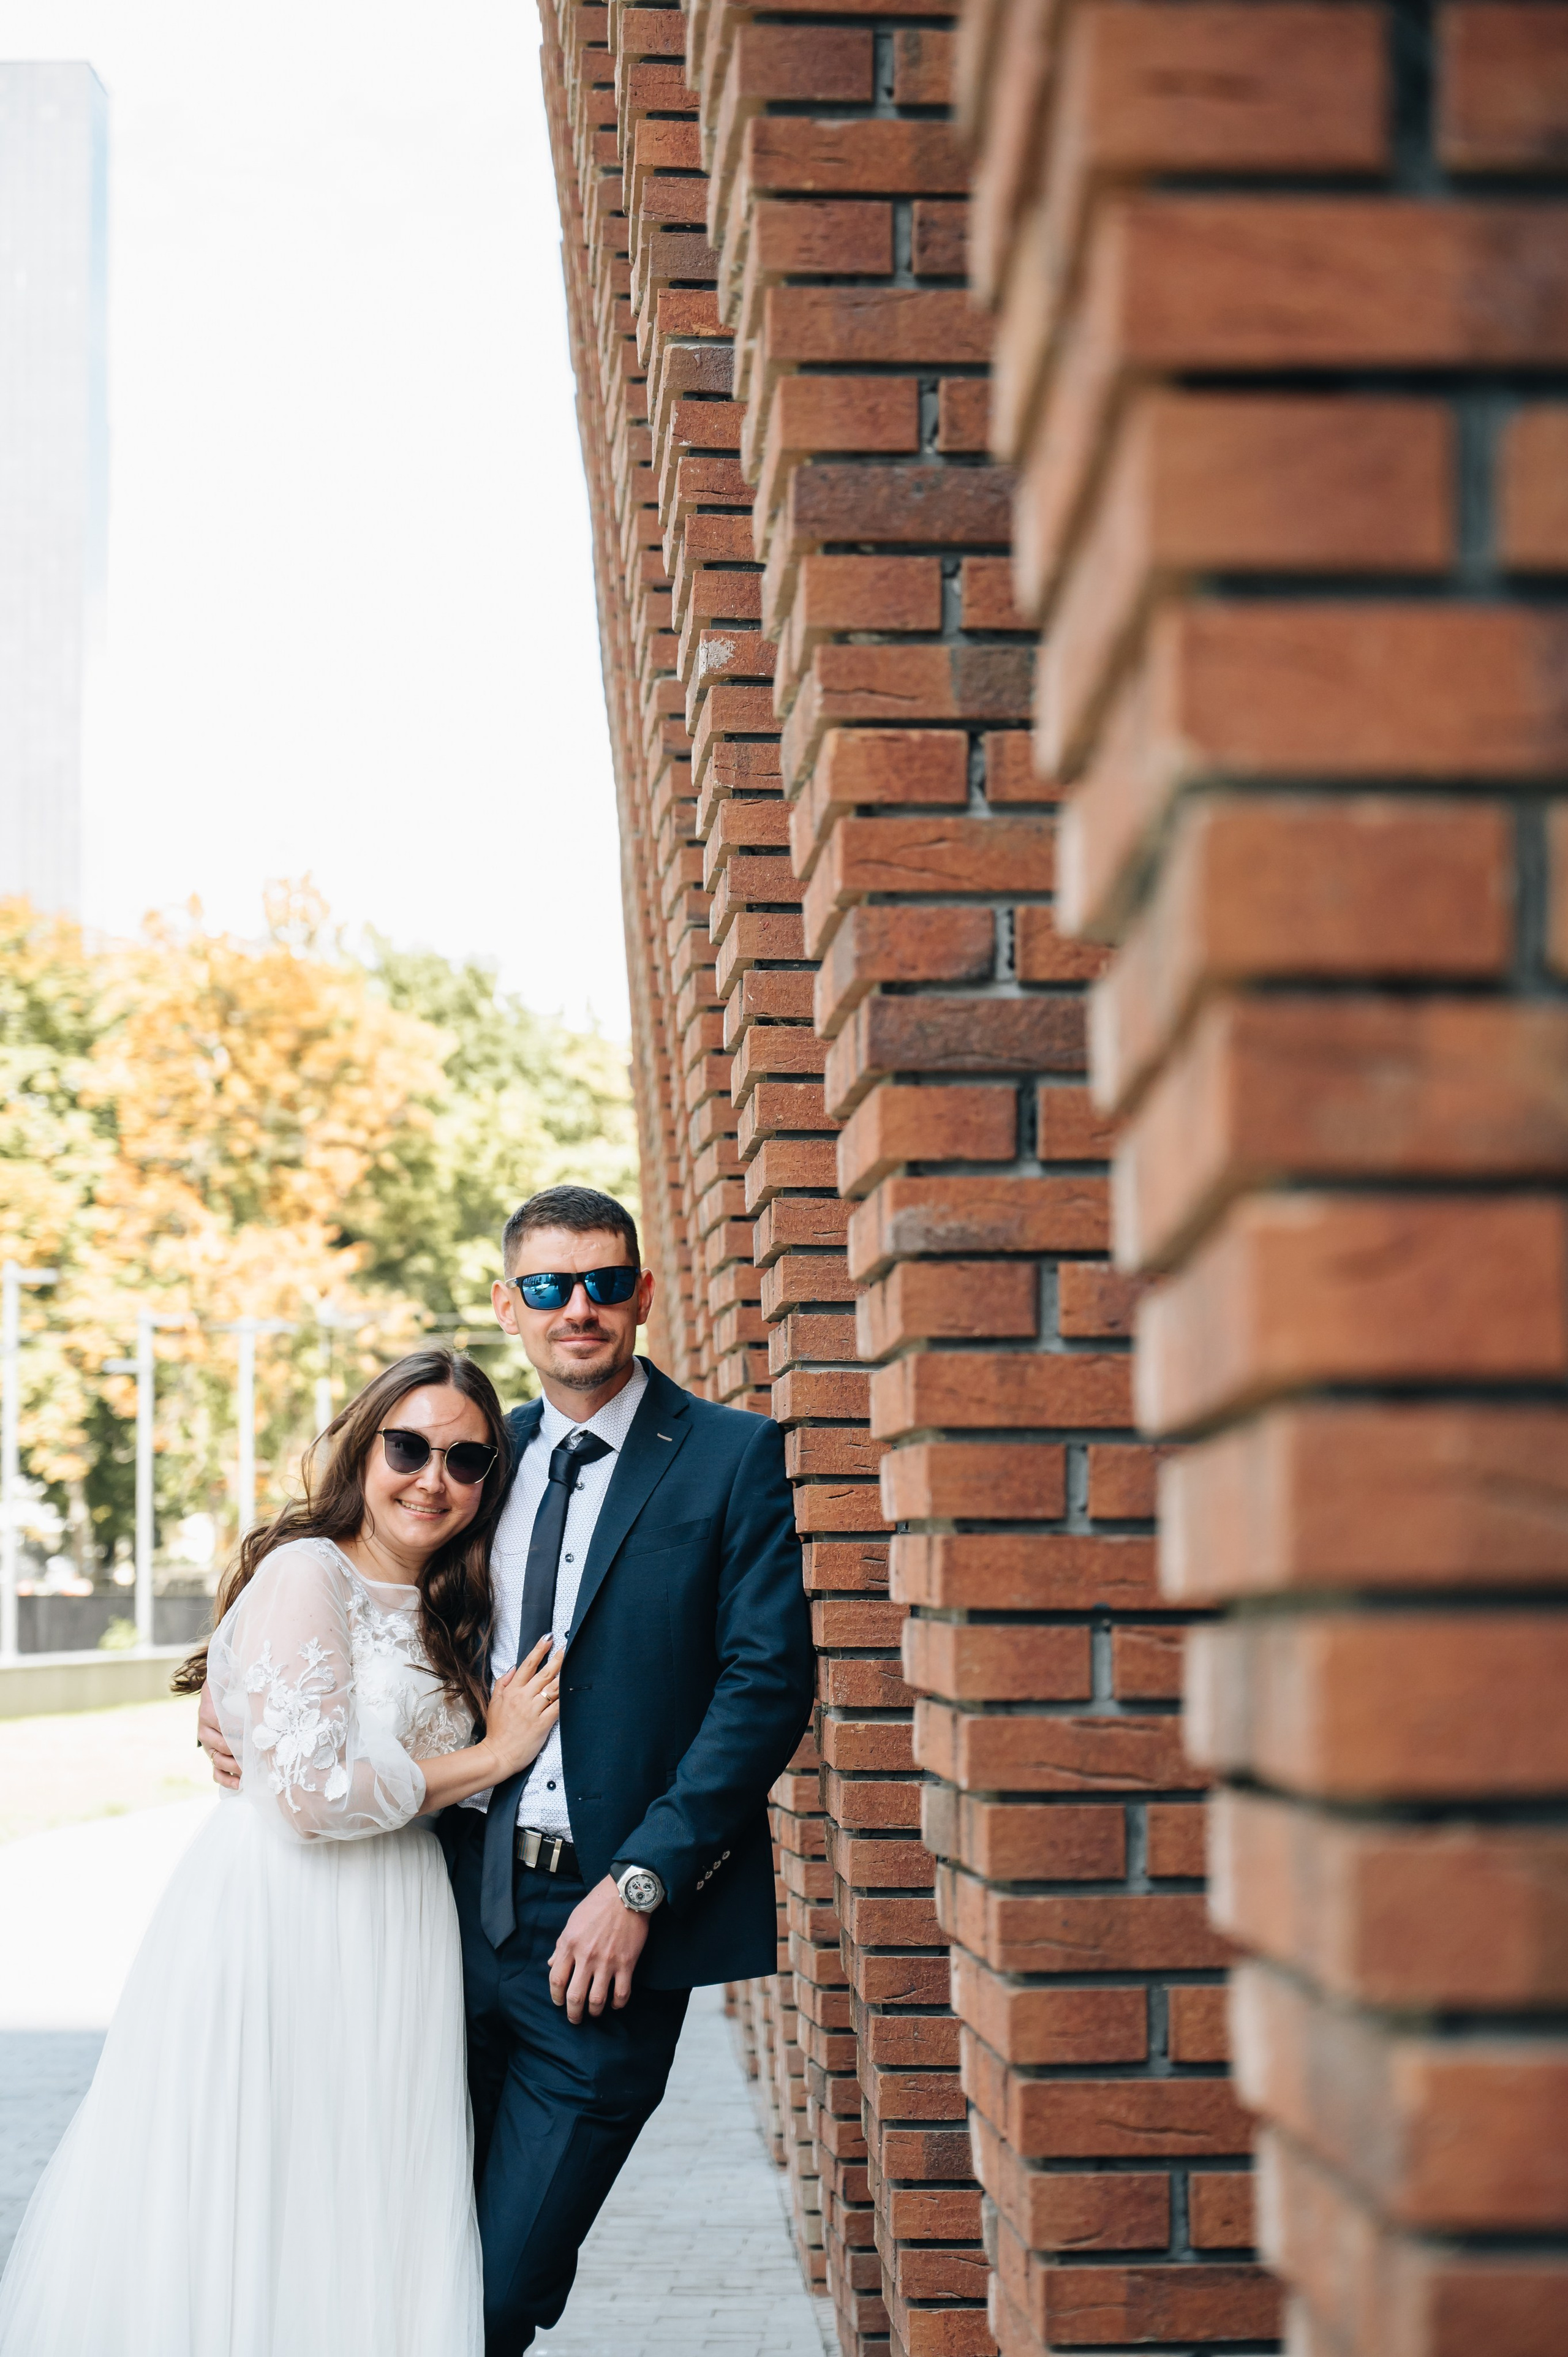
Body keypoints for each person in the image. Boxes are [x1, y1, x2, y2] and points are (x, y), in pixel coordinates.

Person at [0, 1348, 561, 2357]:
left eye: (468, 1460)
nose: (433, 1478)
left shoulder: (453, 1602)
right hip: (284, 1917)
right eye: (409, 1447)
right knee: (257, 2181)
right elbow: (312, 1796)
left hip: (397, 1924)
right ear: (364, 1448)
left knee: (358, 2191)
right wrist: (493, 1755)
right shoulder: (309, 1572)